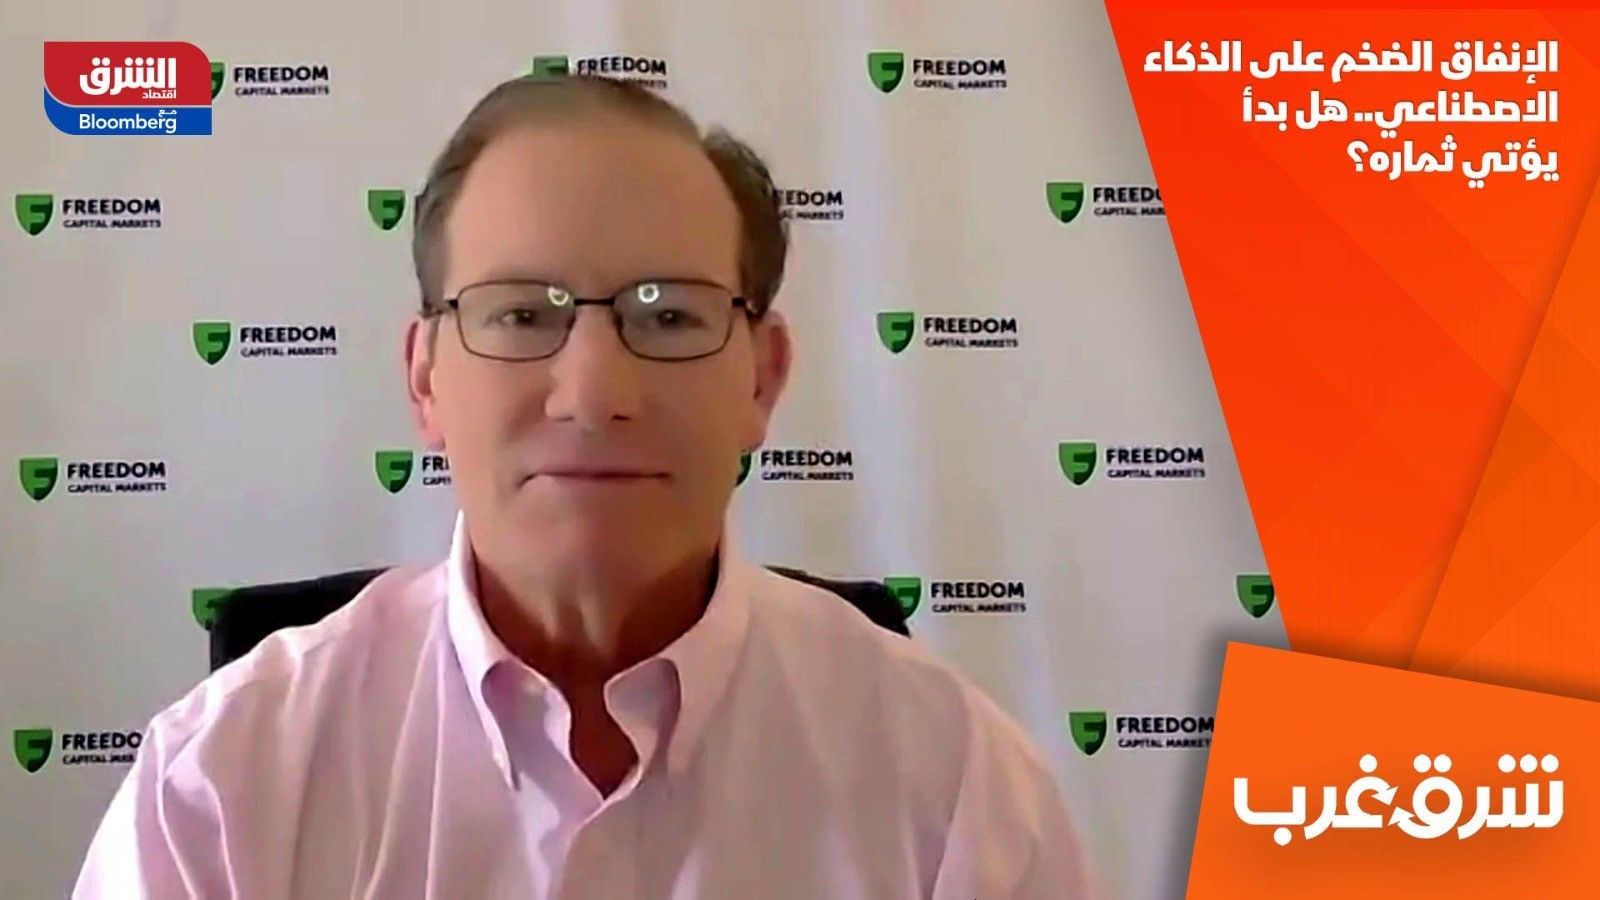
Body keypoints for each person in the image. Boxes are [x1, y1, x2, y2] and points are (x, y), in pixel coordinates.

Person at [73, 74, 1092, 898]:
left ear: (763, 378)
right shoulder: (221, 783)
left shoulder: (953, 782)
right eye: (523, 315)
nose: (596, 392)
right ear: (425, 379)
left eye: (669, 315)